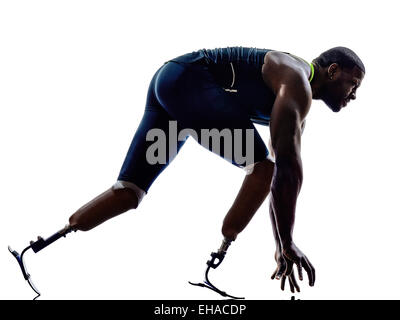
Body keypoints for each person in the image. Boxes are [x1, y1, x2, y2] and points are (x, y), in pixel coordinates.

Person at [67, 46, 365, 294]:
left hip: (171, 86)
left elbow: (282, 180)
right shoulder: (297, 80)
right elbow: (285, 173)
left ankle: (48, 241)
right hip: (188, 82)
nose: (353, 96)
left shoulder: (297, 108)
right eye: (354, 84)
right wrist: (286, 243)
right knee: (262, 170)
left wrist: (280, 244)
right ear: (333, 70)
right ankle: (224, 245)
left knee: (128, 194)